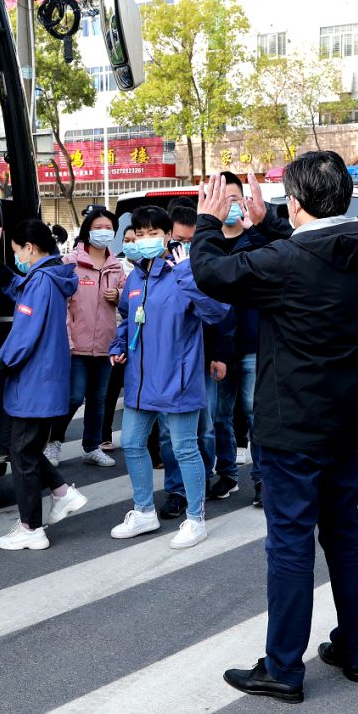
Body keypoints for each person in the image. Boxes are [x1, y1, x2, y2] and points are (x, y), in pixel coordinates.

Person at [192, 153, 358, 702]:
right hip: (344, 423)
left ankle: (283, 668)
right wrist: (267, 223)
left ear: (295, 201)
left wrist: (210, 222)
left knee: (291, 545)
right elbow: (311, 252)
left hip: (293, 426)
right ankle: (355, 648)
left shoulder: (287, 260)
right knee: (344, 535)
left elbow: (213, 274)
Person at [108, 205, 228, 549]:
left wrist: (188, 274)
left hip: (178, 380)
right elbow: (128, 319)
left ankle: (196, 518)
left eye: (152, 234)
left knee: (184, 449)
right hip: (141, 381)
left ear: (166, 237)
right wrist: (119, 345)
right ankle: (144, 510)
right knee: (131, 443)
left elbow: (216, 311)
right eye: (139, 234)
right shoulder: (135, 277)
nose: (145, 240)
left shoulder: (183, 272)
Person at [0, 220, 87, 550]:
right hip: (44, 380)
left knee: (23, 452)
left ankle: (31, 528)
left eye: (16, 252)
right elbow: (19, 288)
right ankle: (61, 492)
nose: (17, 258)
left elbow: (24, 334)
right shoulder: (49, 274)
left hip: (35, 382)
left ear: (30, 248)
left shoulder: (42, 280)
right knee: (19, 445)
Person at [157, 204, 234, 520]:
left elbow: (222, 316)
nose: (183, 248)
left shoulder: (208, 263)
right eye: (178, 240)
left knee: (205, 429)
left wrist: (220, 355)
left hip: (202, 361)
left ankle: (199, 484)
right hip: (167, 365)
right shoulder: (155, 268)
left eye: (191, 241)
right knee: (166, 434)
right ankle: (176, 490)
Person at [200, 171, 267, 507]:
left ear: (245, 200)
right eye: (221, 198)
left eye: (234, 198)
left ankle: (262, 481)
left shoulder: (258, 242)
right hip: (218, 350)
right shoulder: (208, 247)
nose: (229, 205)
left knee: (255, 414)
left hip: (254, 344)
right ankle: (227, 475)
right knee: (219, 416)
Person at [43, 208, 124, 468]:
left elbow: (129, 301)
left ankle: (92, 447)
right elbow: (61, 303)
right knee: (74, 397)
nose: (104, 232)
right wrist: (66, 338)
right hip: (76, 344)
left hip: (105, 345)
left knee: (98, 399)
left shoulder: (116, 266)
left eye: (108, 227)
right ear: (88, 230)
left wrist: (120, 296)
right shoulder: (70, 263)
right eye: (98, 227)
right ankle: (53, 443)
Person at [100, 225, 138, 452]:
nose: (131, 244)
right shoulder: (118, 267)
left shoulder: (148, 270)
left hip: (138, 341)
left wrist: (119, 297)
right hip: (116, 338)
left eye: (136, 239)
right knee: (110, 389)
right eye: (128, 239)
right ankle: (104, 434)